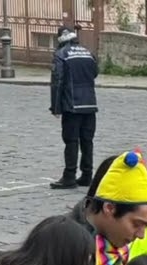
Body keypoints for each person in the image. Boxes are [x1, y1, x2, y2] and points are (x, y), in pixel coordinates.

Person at [49, 27, 99, 190]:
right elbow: (95, 73)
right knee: (87, 141)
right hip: (90, 104)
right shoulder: (87, 53)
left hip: (72, 105)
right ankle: (87, 175)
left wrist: (56, 107)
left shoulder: (61, 55)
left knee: (71, 140)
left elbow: (58, 81)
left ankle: (69, 176)